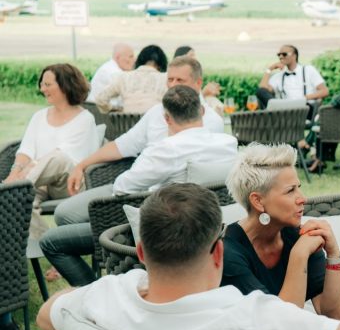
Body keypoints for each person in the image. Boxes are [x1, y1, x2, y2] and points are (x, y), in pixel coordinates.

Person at [36, 183, 340, 330]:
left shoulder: (107, 297)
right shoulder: (256, 320)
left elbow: (47, 315)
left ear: (143, 254)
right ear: (218, 252)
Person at [39, 86, 239, 287]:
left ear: (167, 119)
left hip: (159, 232)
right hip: (210, 224)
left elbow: (122, 188)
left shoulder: (165, 149)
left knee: (52, 241)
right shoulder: (228, 143)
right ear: (202, 112)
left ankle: (92, 291)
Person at [57, 56, 226, 228]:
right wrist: (81, 165)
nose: (173, 84)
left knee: (62, 226)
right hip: (134, 184)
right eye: (170, 79)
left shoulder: (210, 122)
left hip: (162, 202)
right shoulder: (156, 112)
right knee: (64, 212)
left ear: (198, 83)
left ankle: (111, 244)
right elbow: (122, 145)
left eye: (180, 80)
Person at [222, 144, 340, 319]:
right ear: (258, 201)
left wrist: (333, 253)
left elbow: (334, 315)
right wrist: (299, 255)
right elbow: (282, 325)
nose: (303, 198)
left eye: (299, 187)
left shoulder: (297, 235)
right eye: (290, 191)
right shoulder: (229, 253)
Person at [4, 63, 98, 239]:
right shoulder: (39, 117)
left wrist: (25, 172)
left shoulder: (85, 119)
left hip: (69, 183)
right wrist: (14, 172)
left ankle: (10, 188)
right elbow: (26, 149)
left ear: (65, 85)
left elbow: (66, 157)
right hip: (38, 180)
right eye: (42, 84)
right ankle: (49, 246)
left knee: (58, 157)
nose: (42, 88)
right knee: (18, 201)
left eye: (47, 84)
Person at [94, 44, 168, 113]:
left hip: (126, 125)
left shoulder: (123, 77)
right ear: (162, 63)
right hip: (153, 125)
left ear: (139, 60)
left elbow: (100, 99)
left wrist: (112, 109)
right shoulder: (166, 79)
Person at [256, 44, 328, 113]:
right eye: (279, 55)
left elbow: (324, 91)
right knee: (260, 91)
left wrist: (303, 98)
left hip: (305, 109)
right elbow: (262, 90)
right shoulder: (278, 76)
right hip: (285, 111)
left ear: (294, 56)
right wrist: (270, 69)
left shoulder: (308, 70)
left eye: (284, 54)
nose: (281, 57)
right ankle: (277, 108)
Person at [174, 45, 224, 115]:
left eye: (194, 55)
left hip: (197, 111)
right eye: (191, 55)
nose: (195, 58)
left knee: (213, 101)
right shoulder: (177, 78)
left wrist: (207, 93)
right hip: (186, 114)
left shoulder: (193, 76)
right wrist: (204, 92)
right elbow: (186, 103)